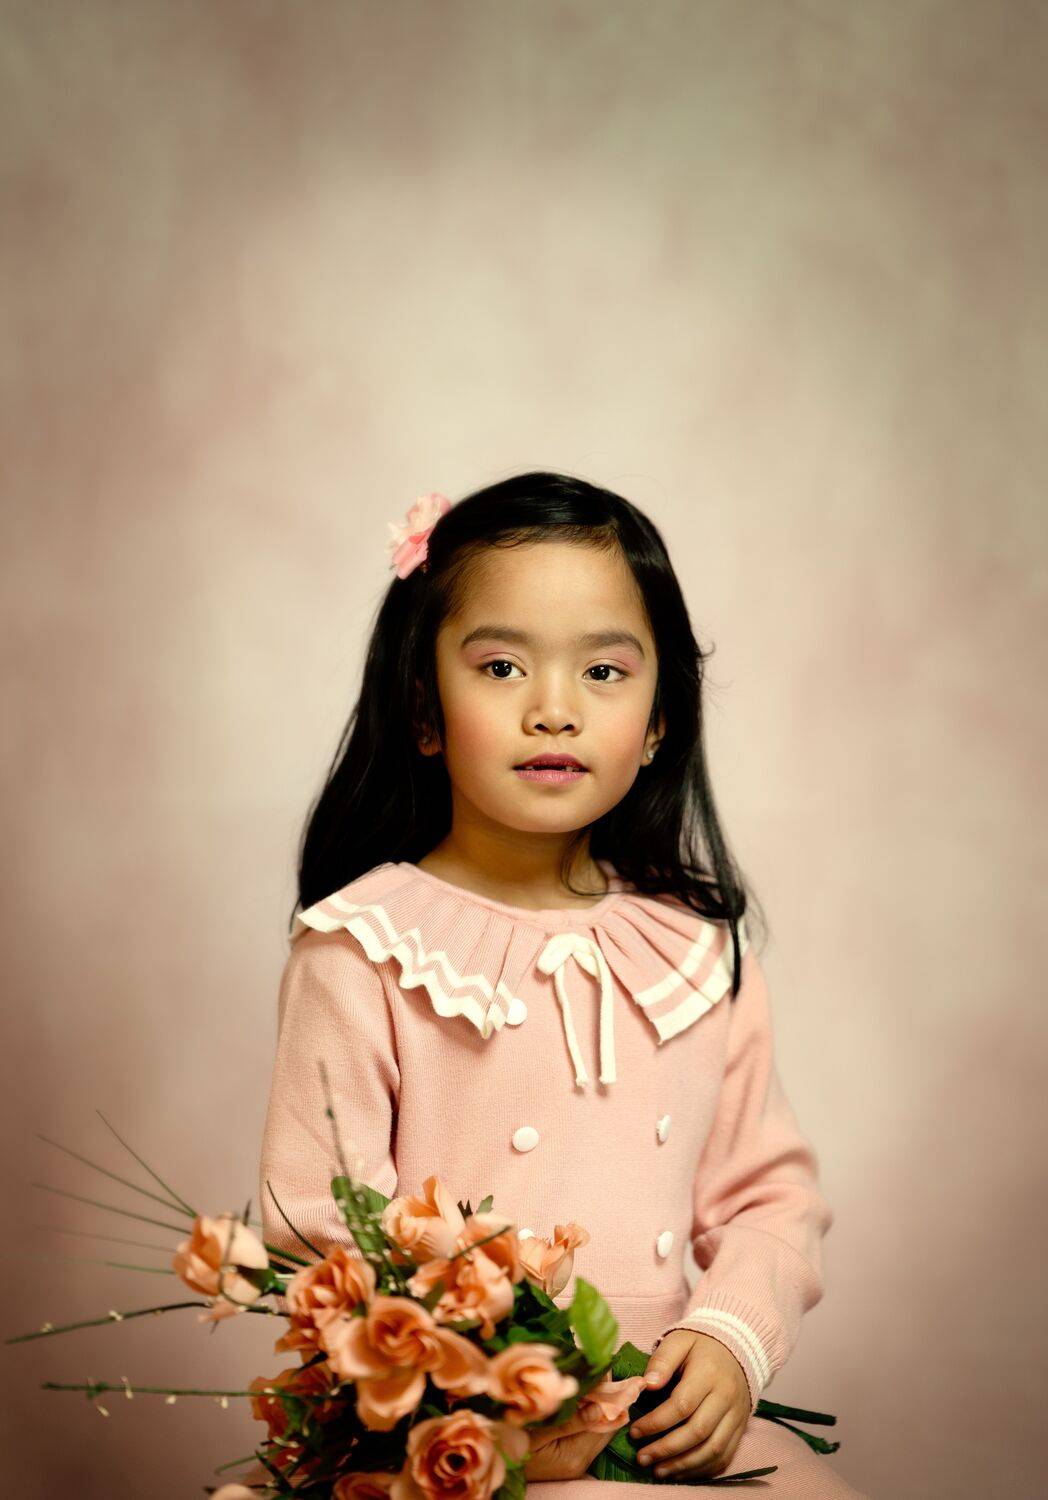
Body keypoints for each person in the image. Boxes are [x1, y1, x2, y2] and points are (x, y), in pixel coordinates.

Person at [258, 471, 868, 1497]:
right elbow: (316, 1228)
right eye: (501, 667)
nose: (553, 711)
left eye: (603, 671)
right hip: (456, 1442)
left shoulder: (698, 953)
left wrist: (731, 1336)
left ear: (661, 718)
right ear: (424, 709)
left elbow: (769, 1196)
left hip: (656, 1430)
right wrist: (488, 1389)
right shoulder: (358, 951)